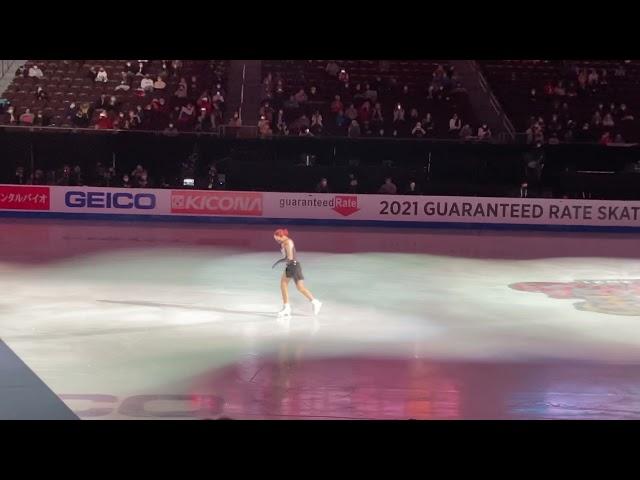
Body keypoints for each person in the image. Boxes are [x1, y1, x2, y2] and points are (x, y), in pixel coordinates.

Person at [272, 228, 322, 318]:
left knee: (283, 284)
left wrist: (280, 261)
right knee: (300, 288)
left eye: (277, 239)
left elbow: (290, 257)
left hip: (292, 265)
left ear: (282, 236)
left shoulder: (287, 242)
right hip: (296, 265)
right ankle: (315, 302)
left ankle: (287, 308)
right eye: (276, 239)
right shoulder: (285, 242)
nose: (277, 241)